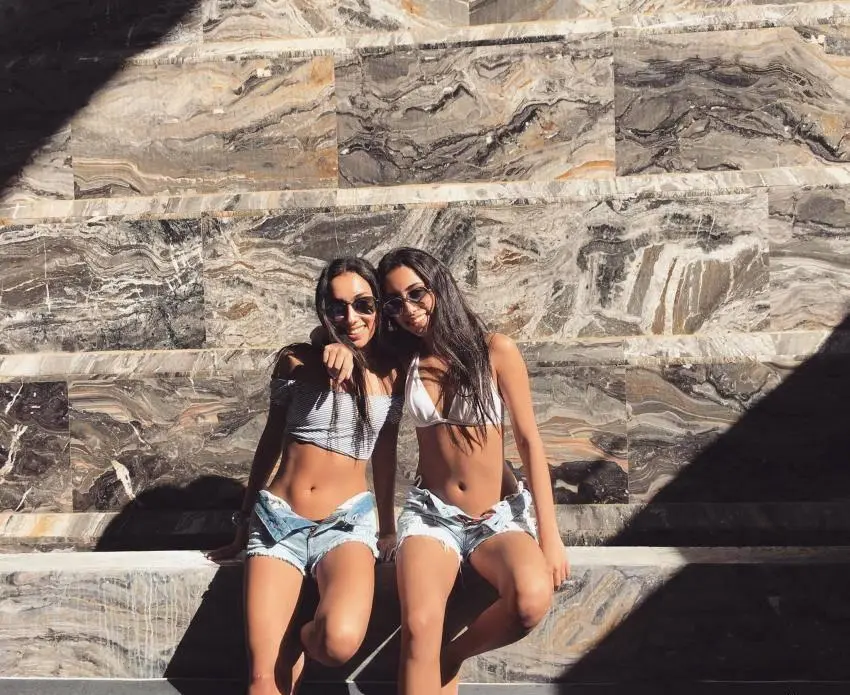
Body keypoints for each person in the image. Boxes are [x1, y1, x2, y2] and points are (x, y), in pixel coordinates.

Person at [324, 247, 569, 695]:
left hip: (497, 516)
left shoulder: (495, 350)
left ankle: (451, 656)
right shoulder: (403, 362)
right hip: (431, 515)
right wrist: (337, 345)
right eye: (394, 303)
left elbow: (530, 443)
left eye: (416, 294)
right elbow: (381, 439)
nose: (408, 310)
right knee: (419, 625)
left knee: (531, 600)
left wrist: (550, 538)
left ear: (439, 287)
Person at [208, 257, 403, 695]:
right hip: (278, 522)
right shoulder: (296, 361)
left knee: (337, 643)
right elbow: (269, 441)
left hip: (346, 525)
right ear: (323, 311)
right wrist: (243, 521)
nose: (351, 317)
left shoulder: (393, 373)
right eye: (337, 307)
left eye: (363, 304)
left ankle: (298, 638)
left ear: (379, 307)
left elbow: (385, 456)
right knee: (262, 681)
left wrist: (387, 530)